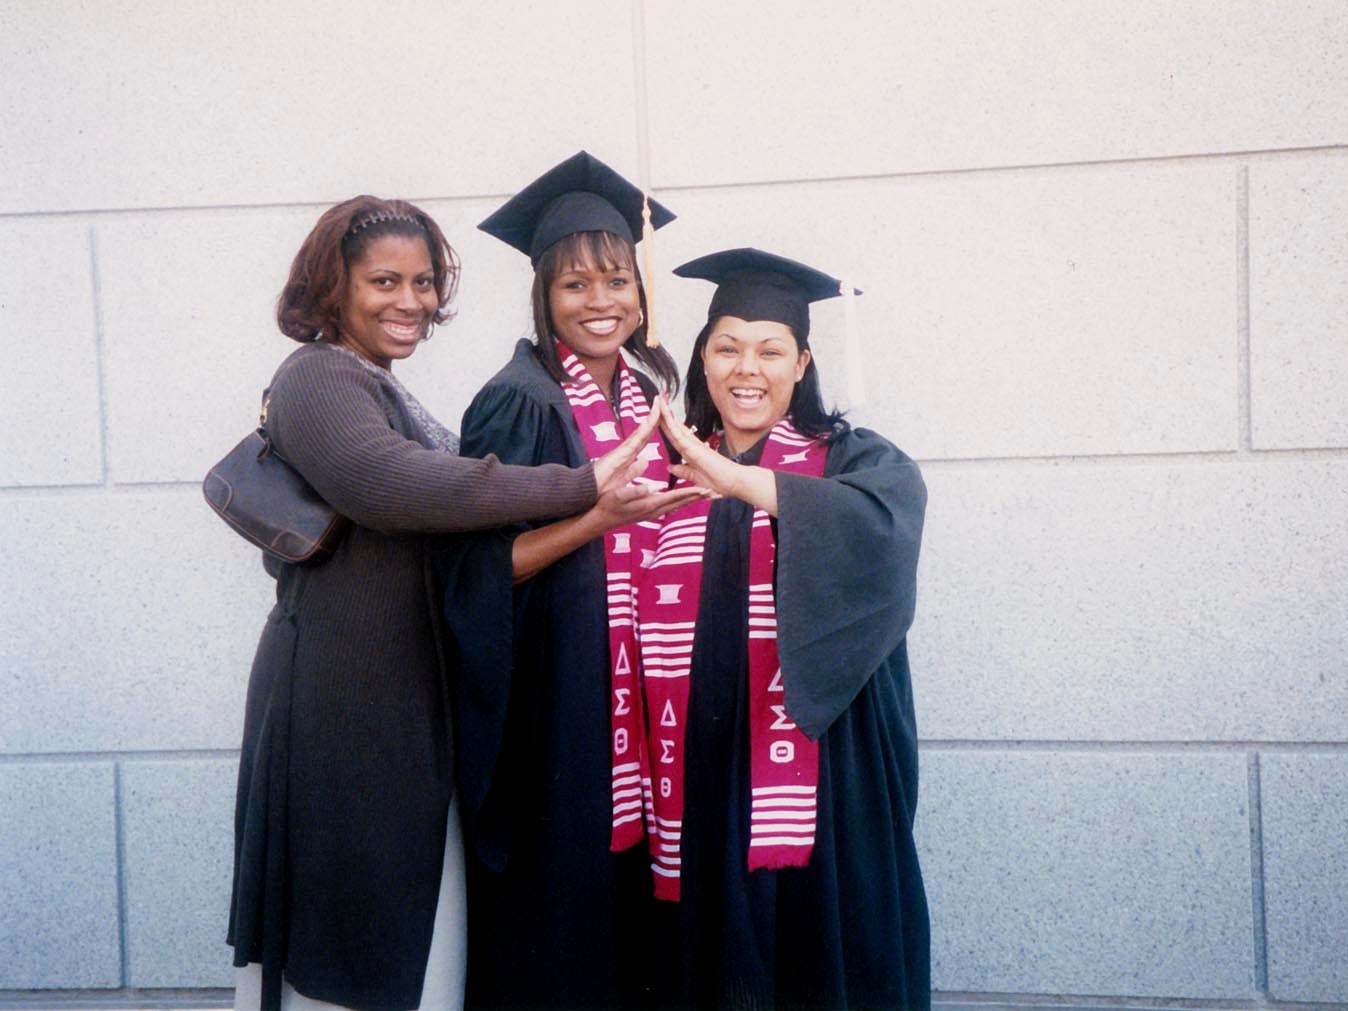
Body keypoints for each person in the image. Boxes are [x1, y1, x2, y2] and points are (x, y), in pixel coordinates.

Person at [226, 195, 658, 1011]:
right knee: (349, 938)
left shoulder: (378, 384)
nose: (411, 300)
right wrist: (579, 487)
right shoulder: (315, 376)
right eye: (384, 281)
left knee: (401, 938)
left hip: (400, 694)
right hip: (344, 701)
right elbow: (395, 485)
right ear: (334, 285)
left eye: (423, 282)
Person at [437, 152, 705, 1009]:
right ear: (543, 295)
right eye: (575, 284)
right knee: (561, 933)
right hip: (557, 714)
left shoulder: (649, 393)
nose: (600, 302)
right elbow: (475, 572)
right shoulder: (520, 399)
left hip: (638, 706)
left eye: (617, 280)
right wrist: (597, 519)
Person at [642, 247, 931, 1009]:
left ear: (802, 363)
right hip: (700, 772)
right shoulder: (667, 475)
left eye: (770, 350)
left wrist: (740, 481)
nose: (748, 368)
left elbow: (882, 529)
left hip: (821, 781)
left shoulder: (853, 460)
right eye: (727, 347)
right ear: (703, 359)